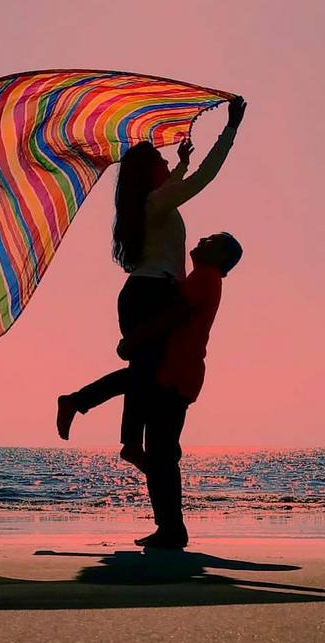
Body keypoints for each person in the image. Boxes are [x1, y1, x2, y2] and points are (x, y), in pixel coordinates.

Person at [57, 96, 247, 471]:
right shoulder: (156, 203)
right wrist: (230, 130)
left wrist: (180, 164)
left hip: (147, 293)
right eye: (160, 162)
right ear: (148, 174)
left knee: (144, 372)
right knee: (144, 372)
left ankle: (112, 428)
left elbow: (172, 187)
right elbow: (204, 179)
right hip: (150, 294)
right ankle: (94, 415)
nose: (166, 163)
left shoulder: (149, 203)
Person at [54, 232, 243, 548]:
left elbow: (175, 315)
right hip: (174, 371)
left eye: (212, 240)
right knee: (158, 448)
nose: (202, 239)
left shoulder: (207, 278)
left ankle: (171, 528)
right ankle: (168, 525)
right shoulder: (201, 277)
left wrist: (136, 338)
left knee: (163, 453)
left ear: (222, 258)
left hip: (176, 373)